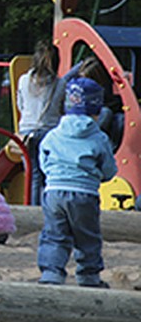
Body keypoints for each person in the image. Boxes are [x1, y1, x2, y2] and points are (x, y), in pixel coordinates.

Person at [37, 77, 117, 287]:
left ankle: (51, 274)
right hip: (84, 193)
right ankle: (88, 276)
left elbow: (43, 160)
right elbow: (109, 169)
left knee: (54, 234)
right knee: (87, 235)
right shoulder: (98, 138)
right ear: (97, 110)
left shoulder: (53, 135)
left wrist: (53, 176)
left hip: (54, 191)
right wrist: (99, 176)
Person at [16, 38, 64, 206]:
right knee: (49, 175)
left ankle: (31, 208)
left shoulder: (23, 80)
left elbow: (20, 105)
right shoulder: (59, 83)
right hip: (50, 132)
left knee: (32, 174)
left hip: (26, 132)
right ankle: (46, 209)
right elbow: (62, 108)